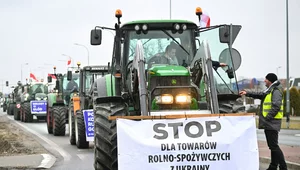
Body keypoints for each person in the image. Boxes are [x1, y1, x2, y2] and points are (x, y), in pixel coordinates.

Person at [239, 73, 287, 170]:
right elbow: (260, 94)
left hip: (272, 122)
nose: (264, 81)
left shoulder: (276, 91)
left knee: (273, 146)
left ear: (270, 81)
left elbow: (276, 106)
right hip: (270, 122)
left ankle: (283, 167)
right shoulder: (270, 90)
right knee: (272, 146)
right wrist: (247, 93)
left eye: (266, 79)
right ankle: (273, 166)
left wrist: (268, 117)